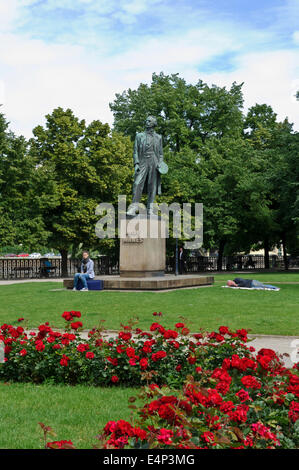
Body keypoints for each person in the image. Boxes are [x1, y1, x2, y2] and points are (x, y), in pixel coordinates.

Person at [127, 115, 167, 216]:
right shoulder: (139, 136)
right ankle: (134, 207)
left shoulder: (159, 137)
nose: (147, 122)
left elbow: (161, 154)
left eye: (149, 121)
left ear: (154, 124)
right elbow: (135, 151)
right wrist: (136, 163)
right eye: (146, 121)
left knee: (152, 186)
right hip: (143, 160)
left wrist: (161, 163)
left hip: (154, 161)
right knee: (137, 183)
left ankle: (150, 209)